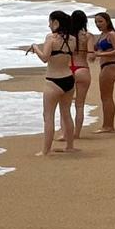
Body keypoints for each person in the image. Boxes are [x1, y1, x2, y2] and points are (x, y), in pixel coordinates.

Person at [20, 12, 77, 156]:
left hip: (53, 80)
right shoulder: (72, 39)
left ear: (56, 23)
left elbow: (45, 58)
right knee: (66, 113)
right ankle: (70, 146)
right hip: (69, 79)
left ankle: (46, 150)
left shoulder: (50, 38)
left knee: (48, 116)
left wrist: (35, 48)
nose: (49, 25)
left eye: (50, 22)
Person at [91, 13, 115, 132]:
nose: (98, 24)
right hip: (105, 66)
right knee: (105, 97)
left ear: (107, 21)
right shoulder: (102, 35)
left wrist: (100, 54)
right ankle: (107, 124)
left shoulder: (112, 34)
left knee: (107, 97)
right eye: (96, 22)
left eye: (100, 21)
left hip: (111, 66)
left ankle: (108, 126)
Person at [68, 10, 94, 135]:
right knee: (80, 105)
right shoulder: (88, 36)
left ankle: (65, 133)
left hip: (68, 69)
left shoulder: (67, 36)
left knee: (65, 105)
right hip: (82, 68)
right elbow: (91, 56)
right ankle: (77, 133)